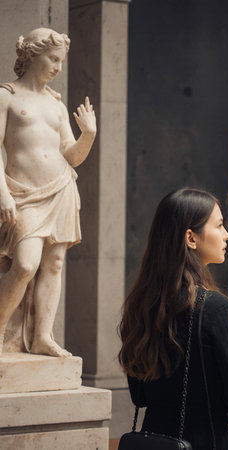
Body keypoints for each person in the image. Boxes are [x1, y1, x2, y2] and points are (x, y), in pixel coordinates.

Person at [119, 188, 228, 450]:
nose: (227, 234)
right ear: (191, 238)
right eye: (219, 225)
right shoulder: (217, 310)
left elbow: (140, 396)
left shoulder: (140, 307)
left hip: (154, 443)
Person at [0, 28, 96, 357]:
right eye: (53, 59)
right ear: (32, 55)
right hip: (22, 193)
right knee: (25, 265)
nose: (57, 67)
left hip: (60, 189)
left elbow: (71, 154)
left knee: (54, 265)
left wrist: (88, 135)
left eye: (61, 62)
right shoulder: (7, 96)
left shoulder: (55, 104)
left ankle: (42, 336)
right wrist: (3, 194)